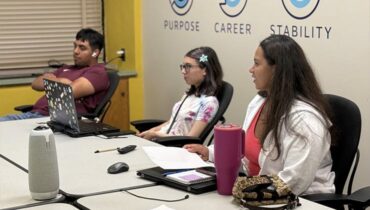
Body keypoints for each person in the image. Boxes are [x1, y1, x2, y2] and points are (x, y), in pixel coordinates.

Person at [184, 35, 335, 195]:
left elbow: (293, 182)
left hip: (301, 201)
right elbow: (246, 158)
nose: (251, 69)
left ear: (276, 69)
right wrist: (211, 153)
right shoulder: (259, 102)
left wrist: (243, 190)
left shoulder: (305, 120)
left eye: (256, 63)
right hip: (258, 194)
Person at [0, 28, 109, 121]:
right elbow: (35, 84)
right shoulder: (67, 68)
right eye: (75, 46)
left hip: (49, 119)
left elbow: (68, 91)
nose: (75, 51)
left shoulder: (97, 72)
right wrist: (61, 81)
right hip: (34, 115)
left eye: (82, 48)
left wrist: (51, 80)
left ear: (95, 52)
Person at [138, 47, 224, 140]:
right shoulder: (189, 94)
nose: (183, 71)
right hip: (162, 141)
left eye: (188, 67)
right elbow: (172, 122)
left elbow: (190, 138)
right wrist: (150, 132)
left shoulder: (209, 103)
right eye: (183, 66)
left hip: (174, 147)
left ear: (205, 70)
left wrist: (155, 135)